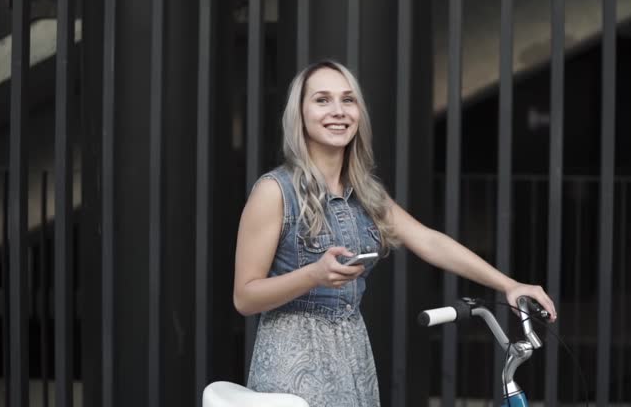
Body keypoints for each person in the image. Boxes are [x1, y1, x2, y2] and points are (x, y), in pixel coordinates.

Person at [233, 60, 557, 407]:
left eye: (348, 100)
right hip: (292, 363)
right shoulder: (274, 191)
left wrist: (508, 285)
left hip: (353, 356)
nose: (338, 110)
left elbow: (429, 241)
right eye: (322, 100)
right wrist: (314, 275)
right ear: (299, 114)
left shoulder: (366, 194)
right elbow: (245, 297)